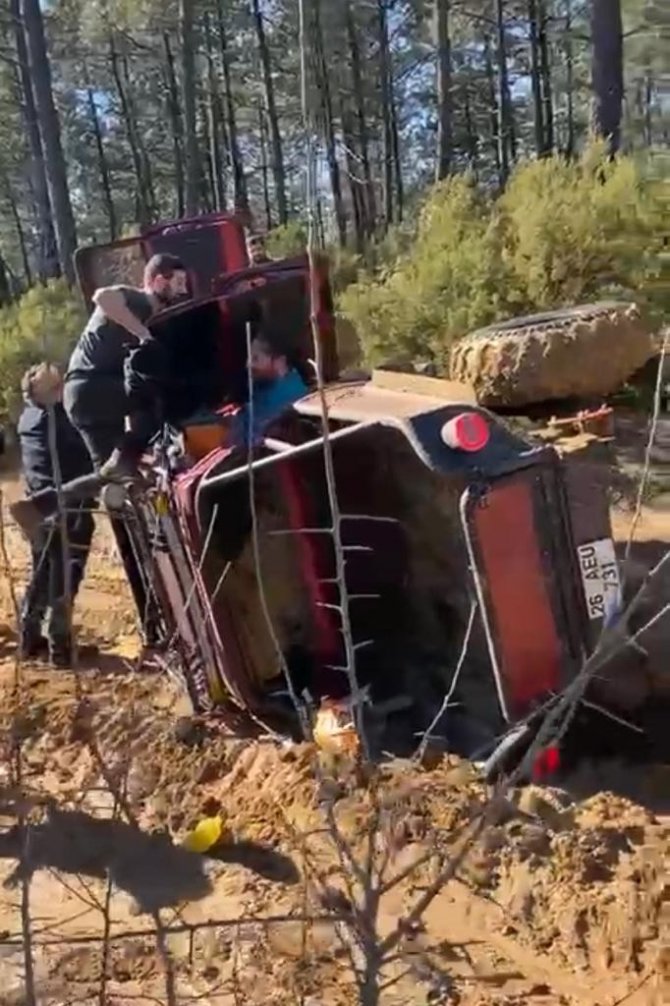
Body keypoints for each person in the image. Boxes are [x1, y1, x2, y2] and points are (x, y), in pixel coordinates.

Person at [16, 363, 96, 666]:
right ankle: (60, 649)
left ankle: (29, 637)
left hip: (39, 507)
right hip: (65, 507)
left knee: (42, 572)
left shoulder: (28, 418)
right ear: (42, 393)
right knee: (65, 574)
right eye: (56, 388)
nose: (63, 391)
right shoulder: (57, 421)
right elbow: (84, 456)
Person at [229, 332, 308, 448]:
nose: (248, 364)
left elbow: (261, 437)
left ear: (279, 362)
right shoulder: (263, 386)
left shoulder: (291, 397)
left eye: (255, 358)